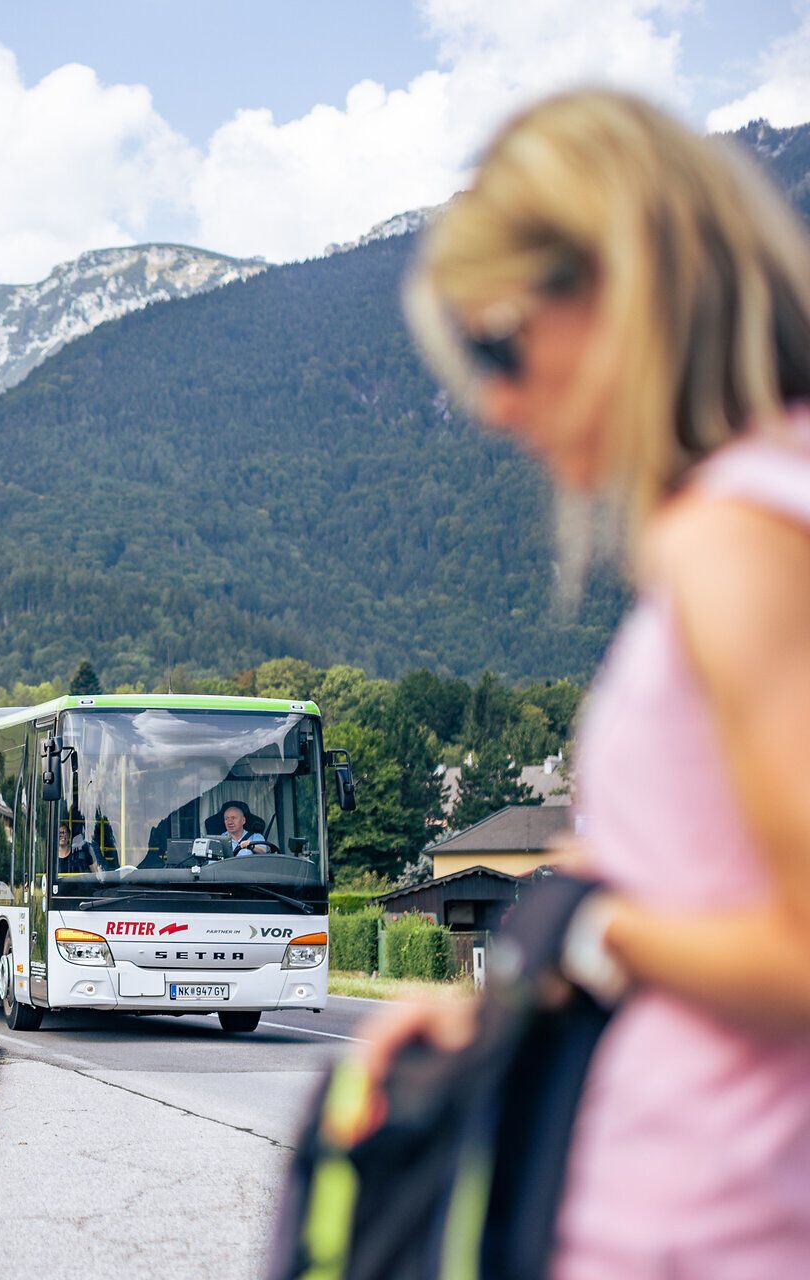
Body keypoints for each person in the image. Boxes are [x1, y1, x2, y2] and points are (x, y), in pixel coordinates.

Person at [379, 88, 810, 1275]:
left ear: (623, 282)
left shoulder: (736, 534)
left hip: (707, 1226)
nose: (495, 401)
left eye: (499, 341)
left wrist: (592, 926)